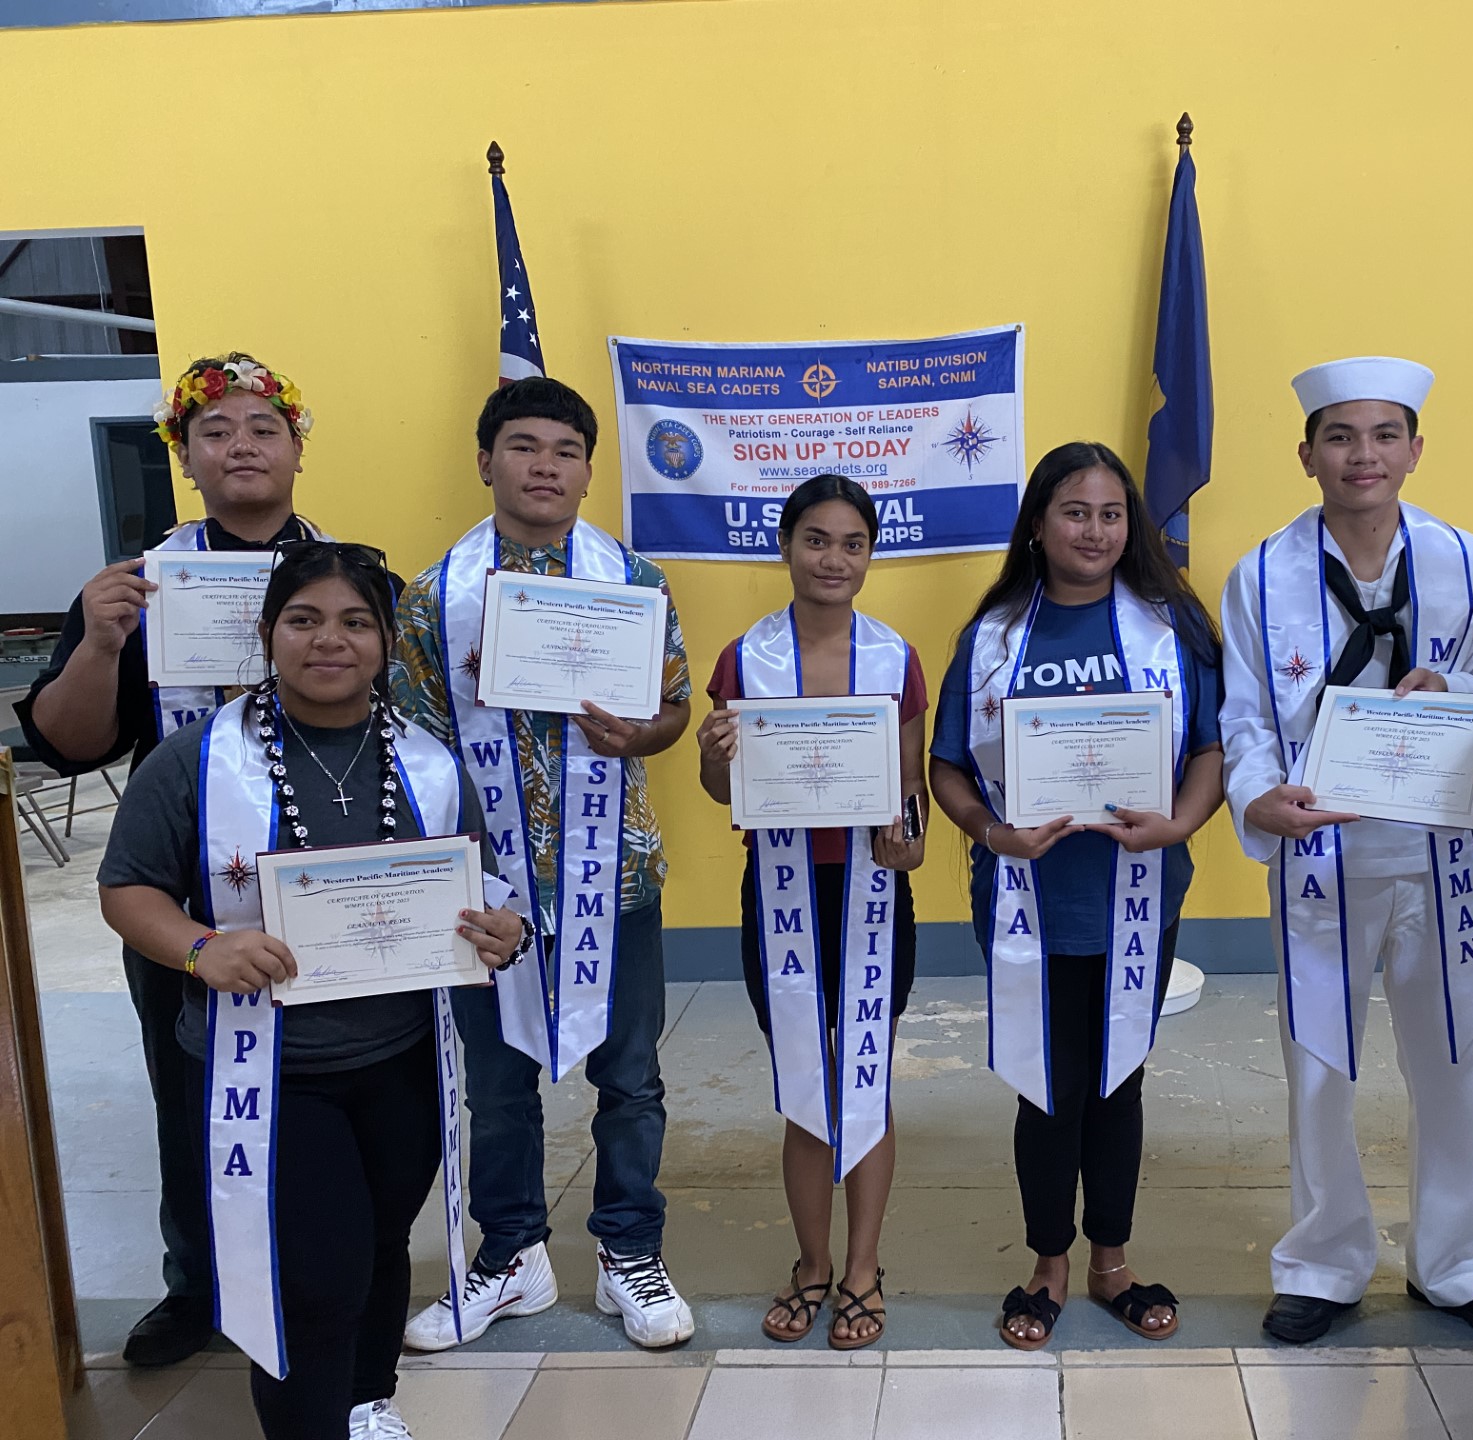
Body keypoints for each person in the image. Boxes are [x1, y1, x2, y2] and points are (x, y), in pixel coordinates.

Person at [97, 542, 528, 1440]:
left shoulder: (429, 764)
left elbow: (479, 886)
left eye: (355, 622)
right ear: (267, 633)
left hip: (401, 1060)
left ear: (385, 643)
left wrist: (504, 929)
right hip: (267, 1071)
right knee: (315, 1278)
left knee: (378, 1247)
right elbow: (127, 888)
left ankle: (366, 1403)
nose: (329, 640)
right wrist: (201, 948)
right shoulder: (195, 761)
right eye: (304, 619)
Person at [16, 351, 324, 1367]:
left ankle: (325, 1271)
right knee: (190, 1093)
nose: (242, 446)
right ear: (185, 458)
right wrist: (102, 645)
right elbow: (68, 745)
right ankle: (199, 1288)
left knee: (335, 1089)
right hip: (184, 899)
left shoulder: (352, 578)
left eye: (263, 428)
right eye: (215, 431)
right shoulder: (139, 586)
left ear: (297, 449)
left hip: (325, 883)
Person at [1218, 356, 1473, 1345]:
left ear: (1415, 449)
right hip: (1320, 851)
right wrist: (1259, 797)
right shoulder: (1261, 574)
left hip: (1435, 850)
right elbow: (1245, 715)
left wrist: (1455, 694)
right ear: (1306, 454)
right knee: (1318, 1062)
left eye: (1385, 435)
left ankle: (1459, 1261)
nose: (1364, 455)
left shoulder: (1468, 562)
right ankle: (1323, 1261)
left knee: (1457, 1056)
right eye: (1341, 436)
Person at [392, 376, 696, 1351]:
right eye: (523, 446)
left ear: (589, 471)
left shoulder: (634, 582)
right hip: (484, 889)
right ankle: (512, 1255)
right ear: (486, 460)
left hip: (617, 874)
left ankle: (628, 1251)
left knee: (631, 1079)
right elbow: (413, 746)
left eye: (566, 451)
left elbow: (675, 706)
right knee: (496, 1087)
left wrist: (640, 734)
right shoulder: (433, 599)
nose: (544, 466)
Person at [928, 440, 1225, 1351]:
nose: (1094, 531)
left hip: (1136, 895)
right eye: (1074, 512)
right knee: (1046, 1087)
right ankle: (1047, 1264)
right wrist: (994, 834)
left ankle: (1112, 1263)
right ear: (1038, 524)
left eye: (1110, 514)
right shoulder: (992, 639)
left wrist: (1179, 823)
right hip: (1028, 900)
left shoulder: (1170, 627)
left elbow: (1211, 751)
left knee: (1118, 1081)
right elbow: (948, 767)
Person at [695, 475, 929, 1349]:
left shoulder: (895, 658)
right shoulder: (744, 659)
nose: (834, 559)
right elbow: (724, 789)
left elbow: (911, 791)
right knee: (803, 1078)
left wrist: (908, 838)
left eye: (853, 543)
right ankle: (813, 1263)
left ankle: (864, 1267)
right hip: (781, 894)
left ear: (871, 555)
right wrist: (715, 755)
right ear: (785, 546)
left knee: (866, 1073)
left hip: (872, 893)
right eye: (817, 540)